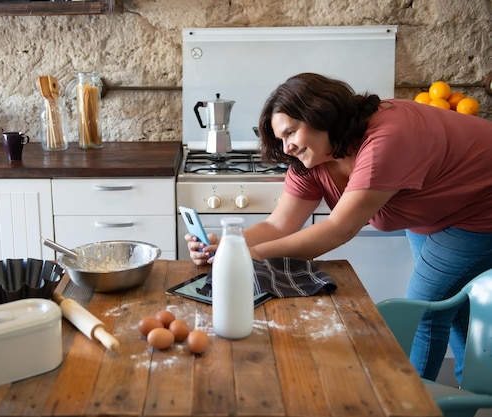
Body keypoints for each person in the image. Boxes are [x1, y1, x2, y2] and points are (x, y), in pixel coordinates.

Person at [185, 72, 492, 384]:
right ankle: (471, 393)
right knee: (455, 304)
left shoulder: (386, 139)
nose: (287, 147)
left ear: (320, 115)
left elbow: (338, 229)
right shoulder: (313, 160)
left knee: (424, 313)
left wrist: (248, 253)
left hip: (480, 207)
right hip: (432, 209)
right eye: (280, 139)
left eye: (291, 133)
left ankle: (411, 403)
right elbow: (277, 225)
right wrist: (227, 244)